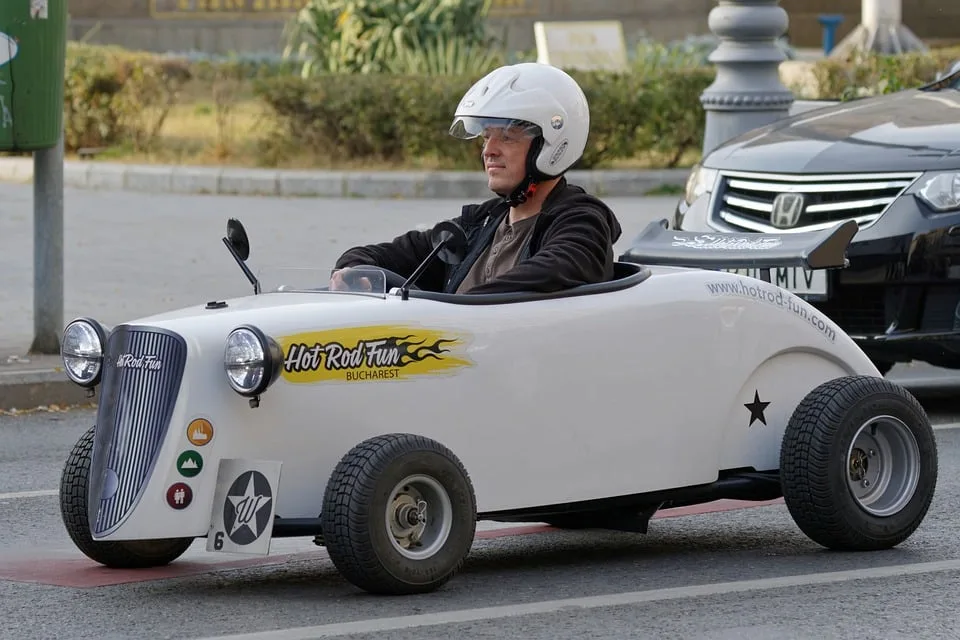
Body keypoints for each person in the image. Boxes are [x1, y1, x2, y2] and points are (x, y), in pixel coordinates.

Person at [330, 62, 622, 295]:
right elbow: (387, 254)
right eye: (485, 137)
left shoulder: (582, 223)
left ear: (551, 143)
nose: (488, 151)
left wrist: (453, 309)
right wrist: (354, 271)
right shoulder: (479, 223)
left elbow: (550, 273)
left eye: (506, 137)